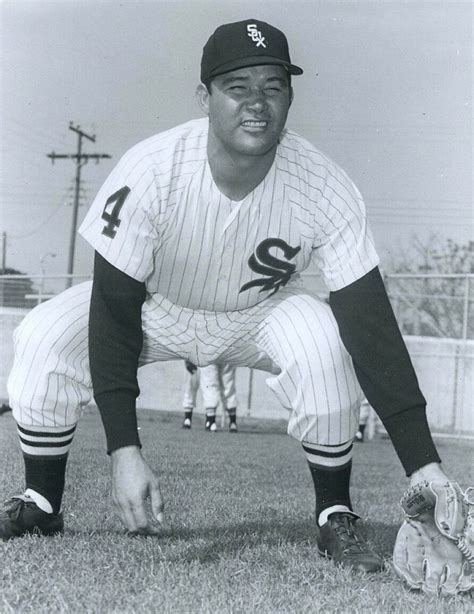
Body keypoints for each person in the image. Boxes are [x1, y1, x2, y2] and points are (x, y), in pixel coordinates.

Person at [0, 17, 450, 575]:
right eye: (237, 87)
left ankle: (334, 512)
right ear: (204, 97)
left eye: (273, 86)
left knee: (328, 344)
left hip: (259, 313)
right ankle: (41, 503)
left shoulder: (326, 186)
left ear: (290, 97)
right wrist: (124, 448)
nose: (256, 103)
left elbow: (372, 328)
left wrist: (423, 466)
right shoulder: (151, 170)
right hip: (153, 305)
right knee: (43, 336)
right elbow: (115, 311)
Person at [182, 360, 238, 432]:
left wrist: (188, 358)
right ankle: (233, 422)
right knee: (228, 385)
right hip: (229, 352)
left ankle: (210, 421)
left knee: (209, 384)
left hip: (208, 353)